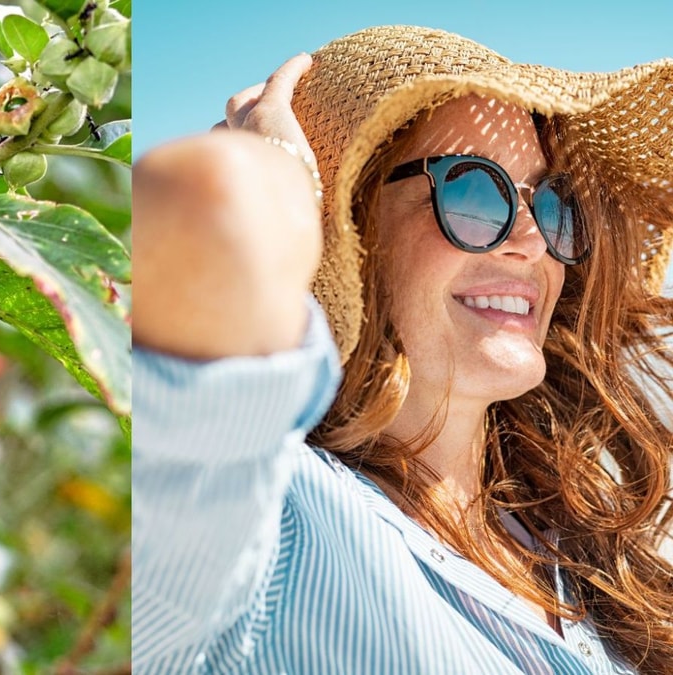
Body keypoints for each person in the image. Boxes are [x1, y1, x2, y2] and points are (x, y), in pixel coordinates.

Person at [133, 25, 673, 673]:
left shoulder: (595, 554)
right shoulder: (268, 528)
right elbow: (194, 190)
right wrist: (277, 179)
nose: (531, 242)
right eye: (474, 190)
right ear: (350, 225)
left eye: (552, 203)